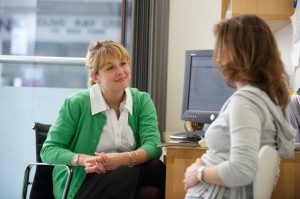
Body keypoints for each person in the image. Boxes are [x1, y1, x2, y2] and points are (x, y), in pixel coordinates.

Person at [183, 14, 296, 199]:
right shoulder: (270, 99)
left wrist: (198, 173)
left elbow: (242, 169)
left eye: (222, 48)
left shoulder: (245, 103)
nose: (217, 58)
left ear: (241, 51)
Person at [40, 40, 166, 199]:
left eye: (123, 63)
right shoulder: (76, 104)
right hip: (83, 182)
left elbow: (154, 145)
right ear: (95, 76)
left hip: (127, 173)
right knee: (155, 169)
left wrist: (121, 159)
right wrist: (83, 159)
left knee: (151, 193)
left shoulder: (141, 101)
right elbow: (48, 150)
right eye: (110, 68)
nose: (121, 71)